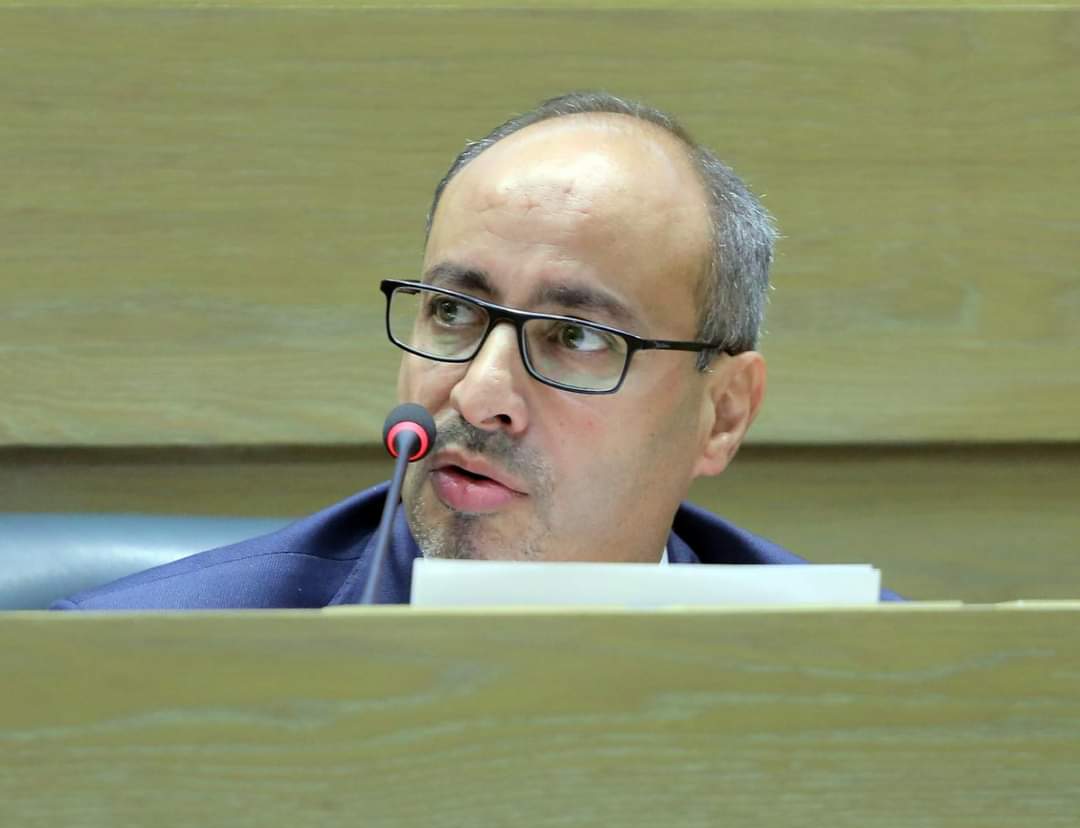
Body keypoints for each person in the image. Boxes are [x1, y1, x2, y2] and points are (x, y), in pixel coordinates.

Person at [55, 91, 898, 609]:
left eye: (576, 336)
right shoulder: (142, 665)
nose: (478, 393)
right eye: (453, 312)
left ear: (723, 415)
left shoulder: (878, 688)